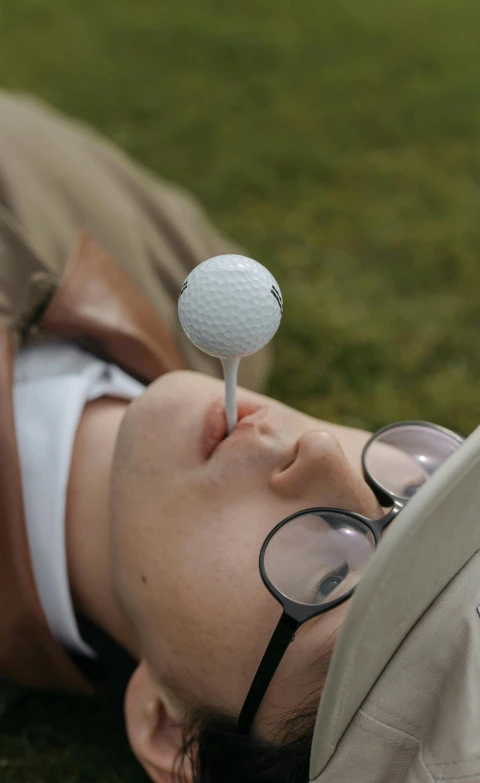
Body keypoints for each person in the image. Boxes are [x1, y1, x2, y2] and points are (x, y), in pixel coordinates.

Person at [0, 90, 408, 782]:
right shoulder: (183, 252)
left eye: (328, 575)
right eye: (417, 487)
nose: (322, 454)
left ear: (168, 725)